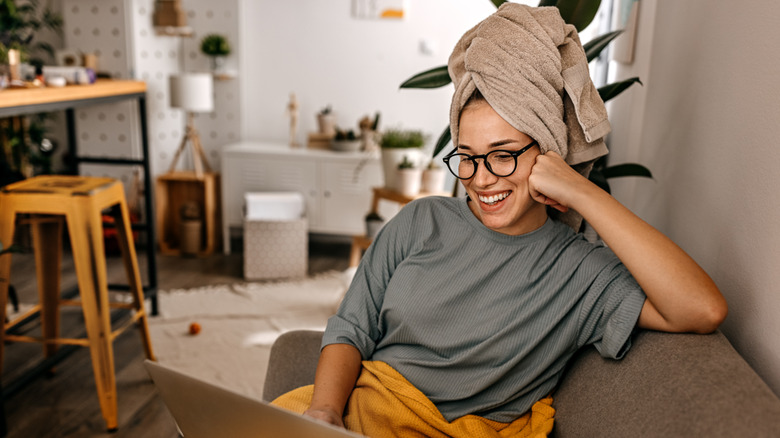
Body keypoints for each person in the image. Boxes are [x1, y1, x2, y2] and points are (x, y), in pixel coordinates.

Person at [272, 4, 727, 437]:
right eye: (467, 158)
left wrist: (579, 190)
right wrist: (326, 412)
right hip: (361, 409)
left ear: (547, 152)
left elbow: (702, 309)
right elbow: (352, 325)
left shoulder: (579, 273)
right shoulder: (420, 221)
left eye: (503, 156)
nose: (481, 179)